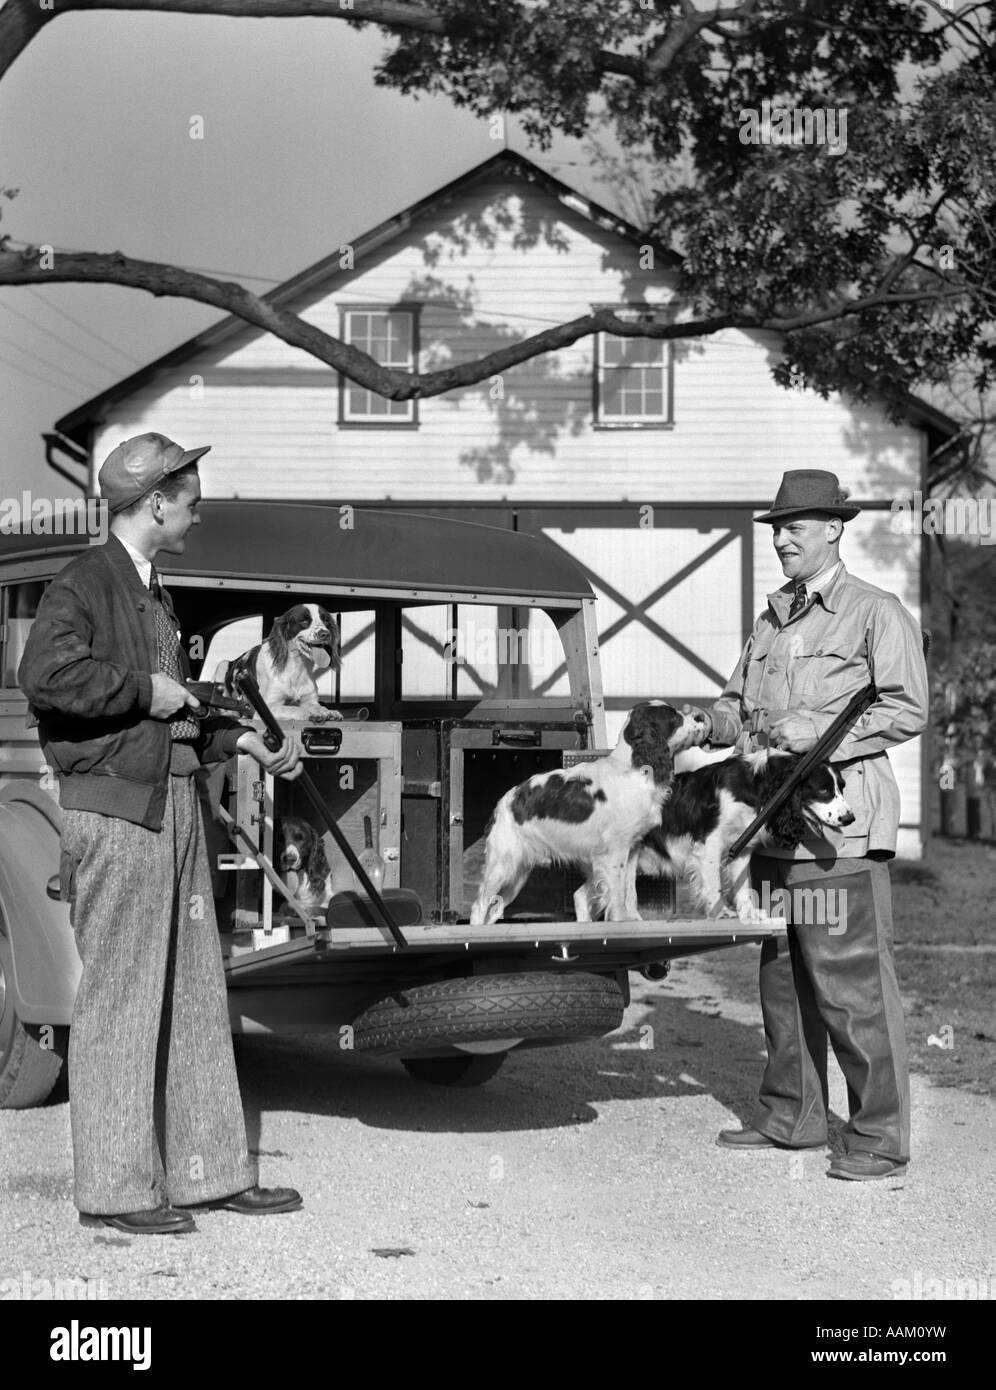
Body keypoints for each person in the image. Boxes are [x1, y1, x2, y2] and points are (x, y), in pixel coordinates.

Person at [19, 433, 305, 1234]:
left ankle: (209, 1171)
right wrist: (147, 689)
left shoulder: (153, 590)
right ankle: (114, 1193)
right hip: (116, 814)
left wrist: (238, 740)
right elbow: (47, 679)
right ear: (154, 503)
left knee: (193, 995)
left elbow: (176, 715)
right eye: (189, 497)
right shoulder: (84, 582)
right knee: (121, 998)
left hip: (171, 806)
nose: (197, 509)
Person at [691, 469, 928, 1181]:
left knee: (851, 987)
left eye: (796, 526)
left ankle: (880, 1136)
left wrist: (815, 728)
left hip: (838, 835)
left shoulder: (874, 612)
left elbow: (908, 707)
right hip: (773, 831)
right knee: (783, 984)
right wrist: (706, 722)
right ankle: (792, 1117)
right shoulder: (771, 621)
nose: (782, 538)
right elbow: (739, 703)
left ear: (834, 529)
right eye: (775, 527)